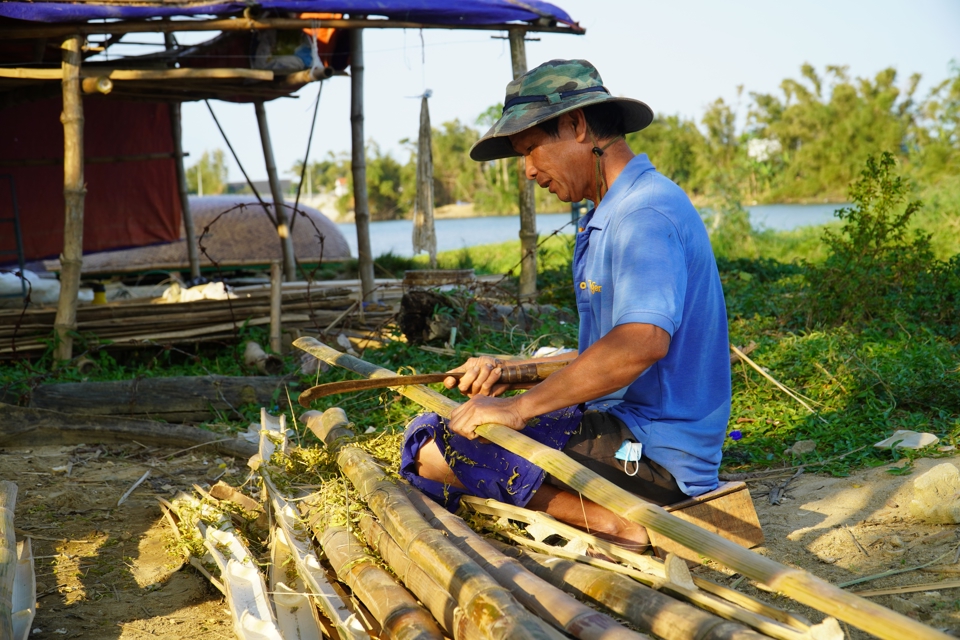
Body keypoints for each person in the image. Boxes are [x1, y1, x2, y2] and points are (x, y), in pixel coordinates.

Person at [398, 59, 731, 551]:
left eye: (532, 149)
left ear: (578, 126)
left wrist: (519, 408)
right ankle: (596, 509)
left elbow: (639, 344)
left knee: (434, 447)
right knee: (442, 428)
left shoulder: (643, 214)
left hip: (652, 453)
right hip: (621, 427)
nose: (529, 170)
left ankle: (614, 524)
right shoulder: (608, 215)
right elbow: (602, 353)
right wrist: (510, 370)